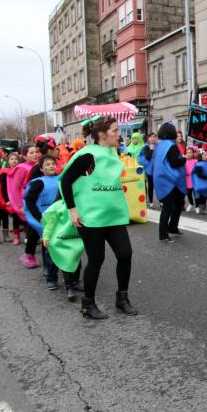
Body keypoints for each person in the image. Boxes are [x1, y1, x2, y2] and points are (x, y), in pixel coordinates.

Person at [60, 115, 137, 318]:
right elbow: (65, 181)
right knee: (96, 260)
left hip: (113, 215)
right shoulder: (88, 155)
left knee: (125, 254)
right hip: (91, 217)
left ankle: (122, 298)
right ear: (102, 134)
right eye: (115, 130)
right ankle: (88, 304)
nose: (119, 135)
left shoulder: (112, 153)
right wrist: (72, 210)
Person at [24, 155, 82, 298]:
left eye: (53, 163)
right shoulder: (38, 183)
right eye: (47, 164)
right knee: (49, 251)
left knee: (72, 251)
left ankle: (73, 281)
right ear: (41, 168)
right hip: (48, 221)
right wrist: (39, 217)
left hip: (64, 220)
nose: (51, 166)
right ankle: (51, 277)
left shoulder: (63, 179)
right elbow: (29, 201)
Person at [152, 122, 187, 242]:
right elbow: (174, 162)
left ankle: (172, 228)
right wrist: (184, 159)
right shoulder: (171, 146)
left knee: (178, 203)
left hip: (162, 178)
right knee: (169, 206)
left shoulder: (159, 145)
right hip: (170, 179)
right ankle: (164, 234)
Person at [8, 145, 40, 268]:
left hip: (39, 201)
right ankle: (29, 255)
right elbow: (16, 187)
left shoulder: (40, 165)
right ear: (25, 156)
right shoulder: (21, 168)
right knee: (32, 228)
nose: (35, 154)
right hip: (28, 202)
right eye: (31, 153)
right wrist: (20, 206)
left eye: (36, 152)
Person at [3, 152, 24, 245]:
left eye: (16, 159)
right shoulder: (5, 173)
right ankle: (17, 236)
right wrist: (7, 200)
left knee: (24, 218)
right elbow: (3, 188)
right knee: (15, 218)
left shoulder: (21, 171)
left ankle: (28, 236)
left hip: (21, 197)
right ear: (8, 161)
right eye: (11, 159)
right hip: (12, 199)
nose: (14, 161)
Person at [138, 132, 158, 208]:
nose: (152, 138)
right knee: (151, 185)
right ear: (148, 139)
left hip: (158, 168)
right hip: (150, 169)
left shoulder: (158, 146)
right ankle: (151, 202)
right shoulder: (146, 147)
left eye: (154, 137)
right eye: (151, 137)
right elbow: (148, 157)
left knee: (159, 185)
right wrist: (151, 150)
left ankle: (161, 201)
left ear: (156, 138)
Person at [192, 150, 207, 215]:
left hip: (206, 182)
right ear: (201, 156)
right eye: (205, 155)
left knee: (205, 195)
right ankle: (202, 209)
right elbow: (199, 174)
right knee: (202, 195)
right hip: (201, 182)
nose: (206, 156)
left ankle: (203, 208)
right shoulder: (199, 164)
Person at [184, 146, 198, 212]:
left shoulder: (196, 161)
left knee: (196, 194)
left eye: (190, 153)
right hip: (187, 179)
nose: (189, 154)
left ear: (193, 153)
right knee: (188, 194)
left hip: (194, 179)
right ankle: (191, 203)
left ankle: (197, 206)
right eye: (187, 153)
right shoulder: (184, 161)